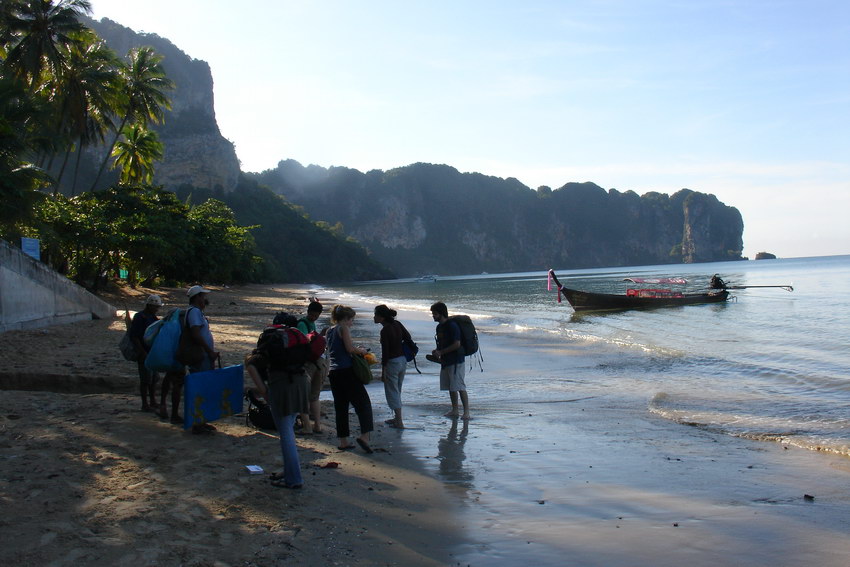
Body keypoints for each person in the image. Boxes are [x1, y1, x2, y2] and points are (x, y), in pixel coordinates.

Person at [245, 312, 310, 489]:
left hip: (281, 386)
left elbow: (251, 365)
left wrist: (265, 392)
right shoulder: (296, 336)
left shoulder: (270, 338)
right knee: (289, 428)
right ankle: (289, 472)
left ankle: (294, 478)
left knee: (286, 434)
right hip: (302, 383)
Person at [326, 304, 374, 453]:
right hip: (347, 371)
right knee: (363, 404)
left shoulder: (329, 331)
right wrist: (362, 350)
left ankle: (343, 441)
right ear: (345, 319)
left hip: (333, 372)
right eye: (351, 320)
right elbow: (349, 349)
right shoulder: (343, 329)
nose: (352, 323)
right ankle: (365, 437)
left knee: (341, 407)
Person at [430, 302, 471, 420]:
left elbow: (457, 344)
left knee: (459, 386)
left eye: (435, 314)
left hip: (457, 360)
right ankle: (455, 410)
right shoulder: (439, 327)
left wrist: (441, 352)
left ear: (441, 314)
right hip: (446, 361)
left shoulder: (452, 326)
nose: (433, 316)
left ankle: (467, 412)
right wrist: (437, 351)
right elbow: (441, 343)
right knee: (450, 387)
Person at [373, 304, 412, 429]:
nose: (374, 317)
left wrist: (383, 371)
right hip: (402, 360)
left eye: (376, 315)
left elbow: (386, 352)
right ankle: (397, 418)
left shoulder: (385, 330)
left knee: (392, 391)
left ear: (382, 317)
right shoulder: (397, 324)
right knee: (397, 389)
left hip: (392, 362)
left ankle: (399, 421)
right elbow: (408, 337)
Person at [296, 299, 327, 434]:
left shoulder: (307, 323)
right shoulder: (304, 323)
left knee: (308, 395)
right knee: (312, 395)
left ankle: (312, 426)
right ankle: (315, 425)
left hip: (312, 363)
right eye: (313, 315)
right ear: (308, 312)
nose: (314, 317)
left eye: (316, 316)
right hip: (316, 361)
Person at [129, 294, 162, 412]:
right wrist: (142, 352)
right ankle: (145, 403)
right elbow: (135, 336)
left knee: (153, 379)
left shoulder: (152, 318)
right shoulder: (140, 317)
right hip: (144, 353)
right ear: (149, 306)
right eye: (155, 307)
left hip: (151, 352)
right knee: (145, 380)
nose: (157, 309)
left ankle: (152, 400)